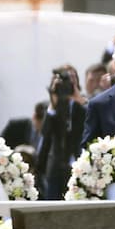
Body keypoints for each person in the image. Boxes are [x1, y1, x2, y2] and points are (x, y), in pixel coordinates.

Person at [38, 67, 86, 199]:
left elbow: (91, 123)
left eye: (72, 78)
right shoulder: (51, 106)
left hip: (79, 166)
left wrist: (79, 100)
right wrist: (53, 104)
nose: (69, 83)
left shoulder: (85, 104)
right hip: (56, 169)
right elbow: (45, 133)